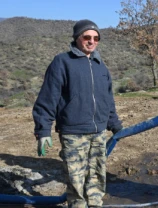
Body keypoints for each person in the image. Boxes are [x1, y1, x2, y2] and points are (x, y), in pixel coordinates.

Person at [32, 19, 123, 208]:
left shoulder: (100, 66)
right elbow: (48, 98)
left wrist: (115, 126)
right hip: (73, 133)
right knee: (76, 178)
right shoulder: (62, 62)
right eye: (87, 37)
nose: (92, 41)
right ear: (77, 38)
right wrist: (43, 131)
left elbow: (108, 101)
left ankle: (95, 204)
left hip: (98, 133)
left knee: (97, 174)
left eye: (96, 38)